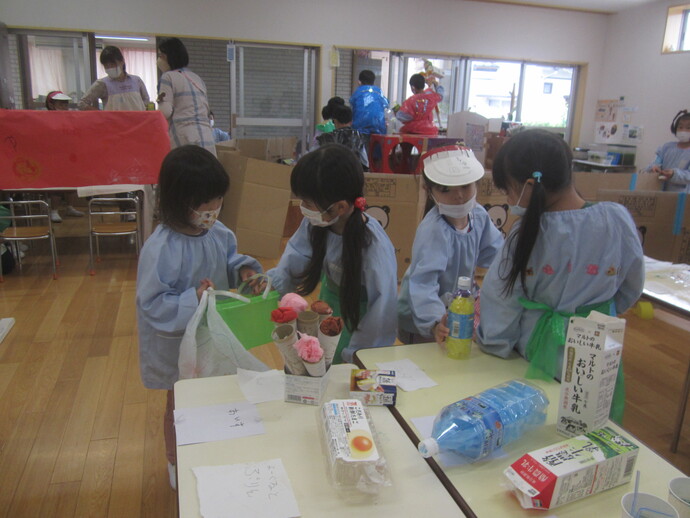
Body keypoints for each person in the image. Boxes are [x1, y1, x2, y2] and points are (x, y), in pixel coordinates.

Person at [476, 129, 644, 423]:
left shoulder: (525, 234)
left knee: (539, 423)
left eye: (509, 190)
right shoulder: (616, 218)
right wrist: (597, 312)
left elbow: (501, 302)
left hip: (535, 353)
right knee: (587, 426)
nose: (509, 198)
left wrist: (494, 347)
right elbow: (631, 286)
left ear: (528, 186)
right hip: (597, 351)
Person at [136, 145, 262, 489]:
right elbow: (152, 303)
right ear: (179, 202)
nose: (213, 211)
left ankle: (214, 446)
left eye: (218, 202)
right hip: (176, 342)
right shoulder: (161, 247)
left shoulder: (218, 233)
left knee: (219, 390)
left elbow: (231, 262)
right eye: (205, 205)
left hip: (214, 334)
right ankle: (176, 458)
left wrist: (247, 273)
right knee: (181, 403)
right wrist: (191, 298)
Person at [267, 144, 398, 363]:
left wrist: (359, 354)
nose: (303, 208)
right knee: (321, 358)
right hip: (330, 301)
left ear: (340, 207)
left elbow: (381, 309)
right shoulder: (317, 221)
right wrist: (272, 284)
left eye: (308, 202)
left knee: (346, 367)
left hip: (362, 316)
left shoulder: (373, 246)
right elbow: (296, 256)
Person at [397, 146, 503, 344]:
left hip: (455, 307)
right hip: (423, 318)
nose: (459, 195)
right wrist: (435, 323)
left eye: (465, 186)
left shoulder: (478, 216)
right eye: (446, 189)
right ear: (429, 191)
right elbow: (423, 284)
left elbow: (497, 254)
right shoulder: (433, 230)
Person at [156, 37, 216, 155]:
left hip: (184, 136)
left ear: (170, 56)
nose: (159, 59)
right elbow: (207, 111)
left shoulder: (168, 77)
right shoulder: (197, 78)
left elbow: (165, 111)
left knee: (186, 170)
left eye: (161, 55)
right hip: (206, 135)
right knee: (207, 170)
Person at [44, 91, 84, 222]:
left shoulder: (70, 117)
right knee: (56, 185)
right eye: (61, 104)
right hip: (53, 156)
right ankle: (54, 210)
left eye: (65, 104)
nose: (64, 107)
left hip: (70, 155)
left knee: (72, 184)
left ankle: (69, 207)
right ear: (51, 104)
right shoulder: (44, 119)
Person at [78, 46, 149, 111]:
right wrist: (101, 115)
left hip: (137, 123)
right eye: (106, 65)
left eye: (112, 64)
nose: (109, 68)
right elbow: (82, 103)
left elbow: (146, 101)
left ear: (122, 61)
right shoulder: (102, 84)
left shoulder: (136, 80)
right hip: (113, 124)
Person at [645, 109, 690, 193]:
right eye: (680, 127)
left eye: (688, 128)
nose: (683, 130)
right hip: (659, 191)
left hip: (683, 196)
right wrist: (653, 167)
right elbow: (655, 162)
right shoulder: (667, 147)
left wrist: (674, 174)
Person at [315, 105, 369, 170]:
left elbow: (315, 159)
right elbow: (365, 162)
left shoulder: (324, 138)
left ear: (335, 121)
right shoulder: (359, 137)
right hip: (352, 175)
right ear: (351, 121)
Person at [350, 69, 389, 144]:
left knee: (361, 150)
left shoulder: (358, 92)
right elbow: (386, 104)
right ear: (373, 82)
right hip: (378, 127)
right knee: (376, 149)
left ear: (359, 82)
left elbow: (352, 104)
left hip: (360, 126)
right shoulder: (378, 91)